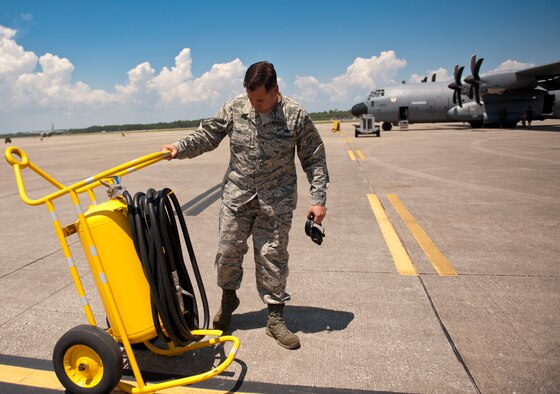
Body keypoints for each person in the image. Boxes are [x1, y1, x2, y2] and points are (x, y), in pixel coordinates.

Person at [160, 61, 329, 350]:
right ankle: (228, 299)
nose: (254, 104)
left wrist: (318, 200)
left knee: (272, 258)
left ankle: (274, 319)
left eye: (260, 99)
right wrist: (178, 148)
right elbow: (208, 134)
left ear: (276, 90)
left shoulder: (295, 116)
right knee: (227, 253)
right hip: (237, 197)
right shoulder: (236, 107)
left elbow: (314, 158)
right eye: (250, 98)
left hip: (276, 202)